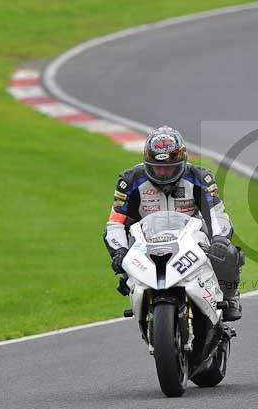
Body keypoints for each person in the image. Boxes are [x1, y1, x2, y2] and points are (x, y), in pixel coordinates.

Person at [104, 125, 243, 321]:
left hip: (190, 239)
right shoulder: (130, 180)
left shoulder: (200, 177)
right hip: (145, 242)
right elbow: (115, 222)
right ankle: (139, 296)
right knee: (122, 264)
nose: (163, 173)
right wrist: (119, 251)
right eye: (157, 167)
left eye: (169, 168)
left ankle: (230, 297)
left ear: (181, 163)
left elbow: (216, 213)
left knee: (228, 253)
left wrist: (219, 239)